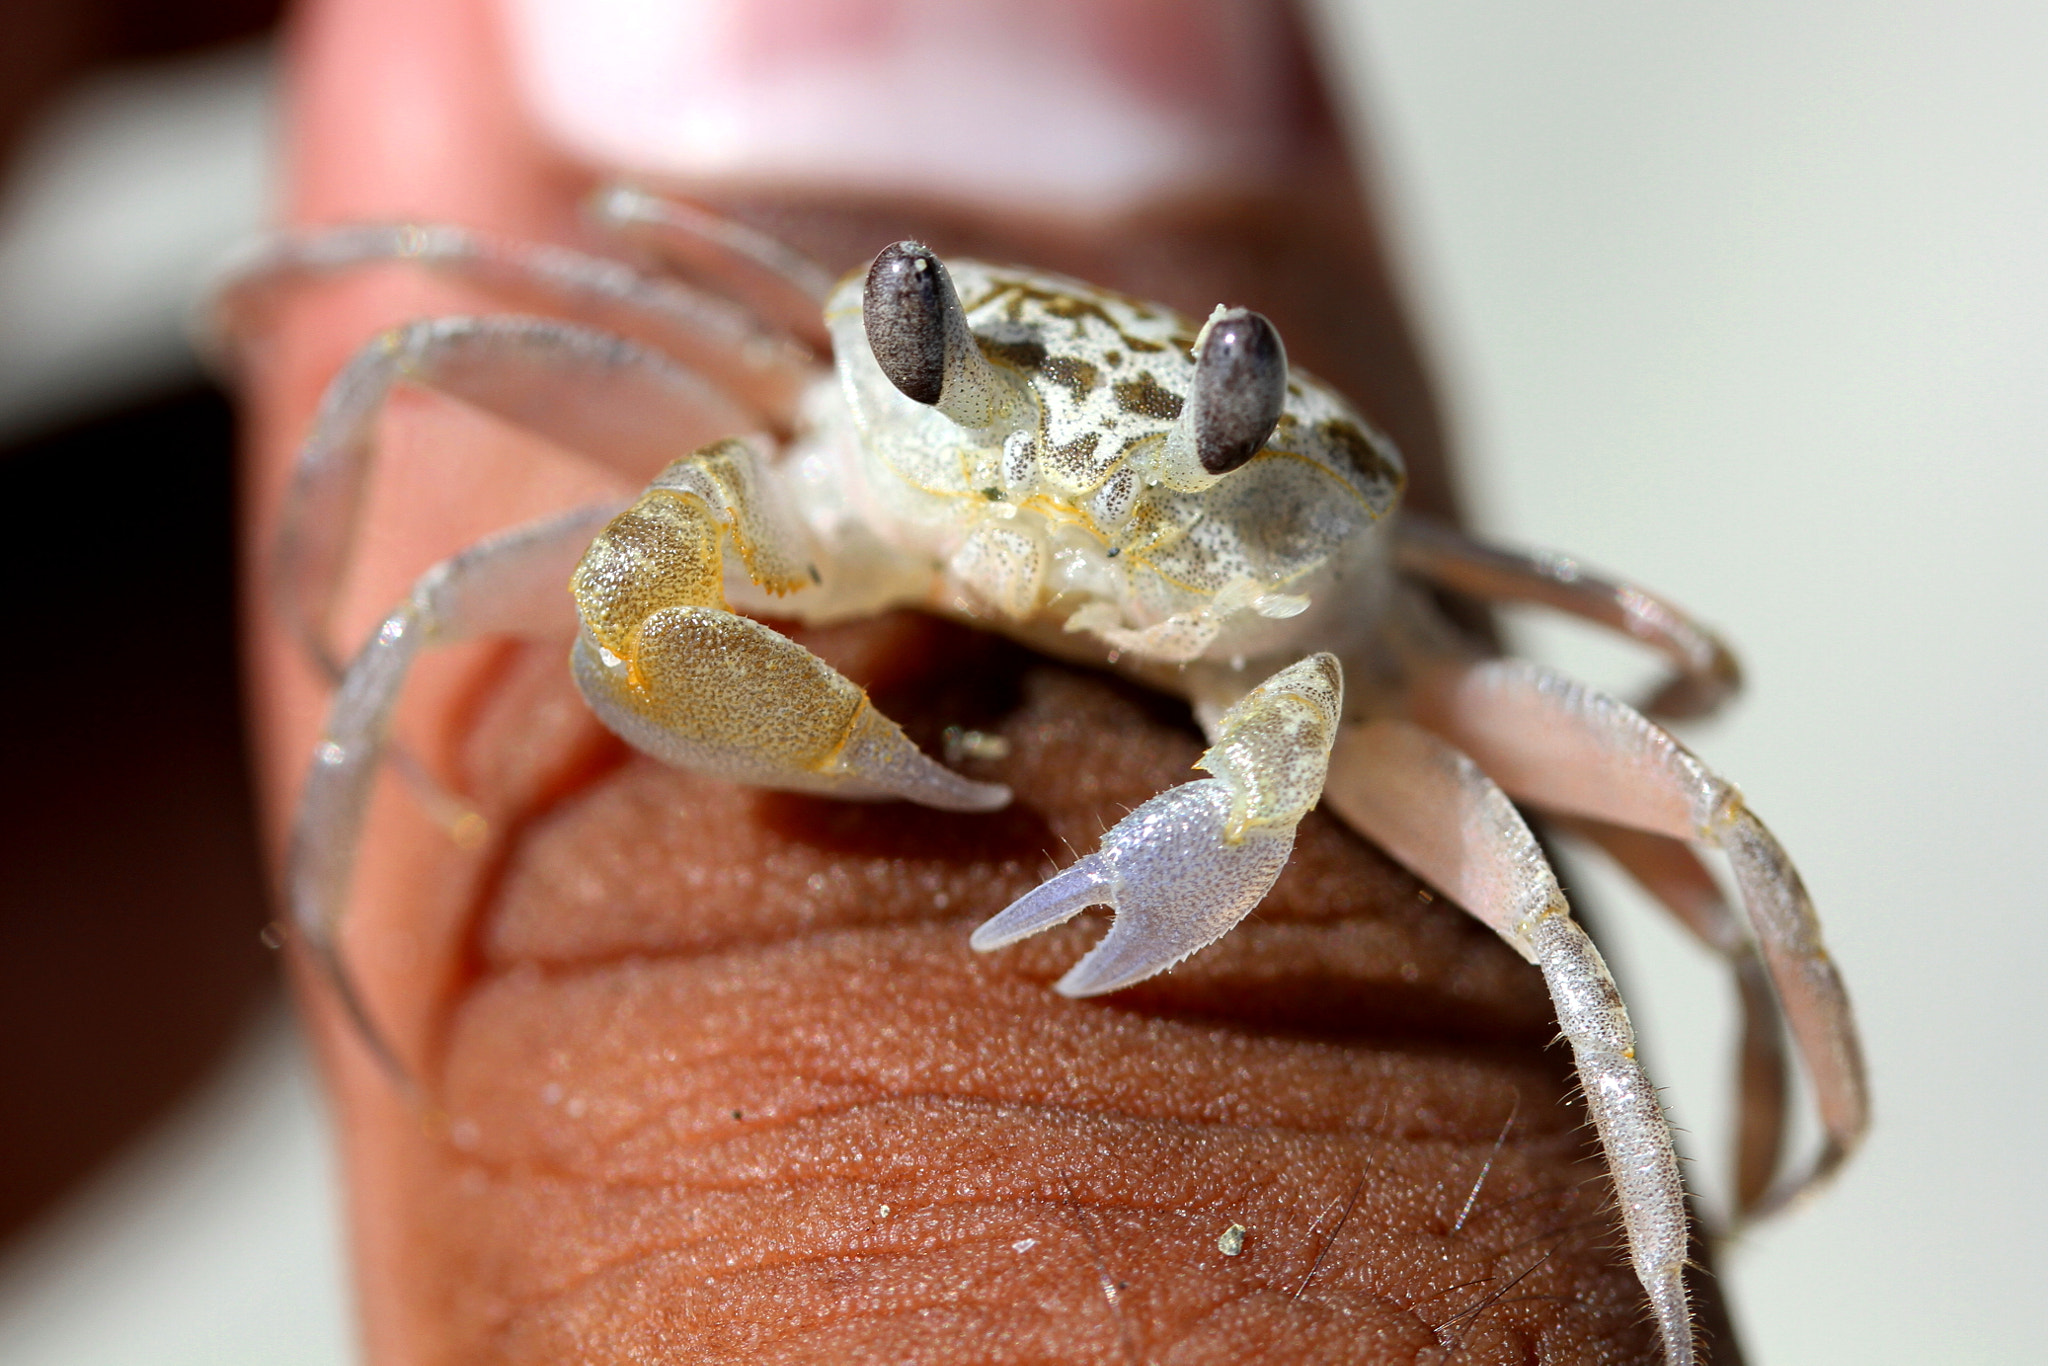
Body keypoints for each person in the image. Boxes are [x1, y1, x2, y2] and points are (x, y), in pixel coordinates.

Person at [243, 0, 1743, 1358]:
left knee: (1606, 922)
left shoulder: (1348, 599)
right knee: (436, 517)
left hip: (1273, 631)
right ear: (891, 341)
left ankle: (1686, 1294)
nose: (1060, 502)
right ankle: (330, 934)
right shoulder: (836, 428)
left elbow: (1702, 780)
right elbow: (452, 402)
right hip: (886, 489)